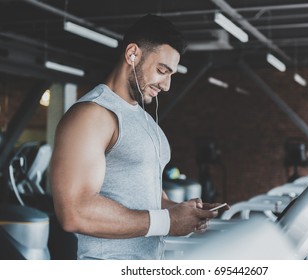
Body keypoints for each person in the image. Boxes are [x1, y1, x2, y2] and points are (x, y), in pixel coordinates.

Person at [50, 14, 226, 260]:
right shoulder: (93, 114)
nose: (166, 85)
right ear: (132, 54)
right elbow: (74, 212)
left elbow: (146, 194)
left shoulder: (142, 117)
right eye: (161, 71)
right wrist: (166, 222)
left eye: (171, 74)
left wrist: (180, 212)